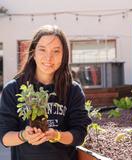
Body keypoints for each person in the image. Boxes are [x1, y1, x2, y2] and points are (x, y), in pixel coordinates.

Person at [0, 25, 91, 160]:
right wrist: (24, 136)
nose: (49, 58)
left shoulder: (72, 90)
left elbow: (79, 135)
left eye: (56, 51)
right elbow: (4, 137)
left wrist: (57, 135)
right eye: (42, 49)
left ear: (63, 56)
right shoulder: (13, 89)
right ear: (33, 53)